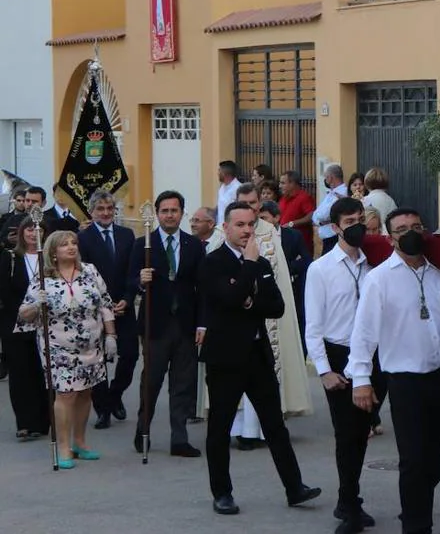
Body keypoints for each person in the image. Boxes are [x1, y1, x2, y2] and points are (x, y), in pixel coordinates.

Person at [199, 201, 321, 516]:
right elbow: (227, 299)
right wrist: (248, 273)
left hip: (257, 356)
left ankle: (295, 488)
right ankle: (222, 493)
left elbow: (276, 306)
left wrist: (248, 298)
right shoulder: (213, 262)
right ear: (225, 228)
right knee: (220, 426)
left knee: (275, 426)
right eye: (239, 225)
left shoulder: (263, 264)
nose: (247, 230)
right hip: (225, 358)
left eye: (251, 224)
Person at [350, 207, 440, 534]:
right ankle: (416, 524)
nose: (410, 233)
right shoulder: (378, 279)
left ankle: (418, 501)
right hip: (405, 380)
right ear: (389, 237)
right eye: (401, 229)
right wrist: (361, 380)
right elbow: (364, 333)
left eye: (416, 226)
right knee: (413, 459)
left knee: (434, 459)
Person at [205, 183, 311, 449]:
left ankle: (291, 481)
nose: (250, 212)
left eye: (254, 204)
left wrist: (254, 301)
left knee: (271, 414)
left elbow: (277, 293)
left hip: (262, 335)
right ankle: (240, 434)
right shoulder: (219, 238)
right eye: (245, 203)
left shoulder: (270, 233)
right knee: (224, 413)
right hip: (229, 340)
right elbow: (222, 293)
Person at [304, 197, 377, 531]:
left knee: (362, 433)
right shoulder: (321, 269)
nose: (358, 226)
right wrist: (324, 370)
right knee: (347, 434)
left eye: (361, 219)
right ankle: (348, 504)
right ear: (335, 228)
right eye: (350, 221)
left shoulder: (374, 263)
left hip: (374, 357)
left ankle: (349, 498)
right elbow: (314, 327)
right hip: (339, 355)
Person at [17, 230, 117, 468]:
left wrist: (111, 335)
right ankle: (63, 446)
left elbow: (105, 303)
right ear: (53, 251)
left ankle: (80, 442)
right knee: (66, 393)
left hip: (90, 343)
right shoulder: (43, 277)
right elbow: (23, 314)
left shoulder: (90, 271)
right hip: (57, 345)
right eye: (64, 245)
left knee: (85, 392)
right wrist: (37, 304)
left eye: (74, 243)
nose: (71, 247)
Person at [130, 190, 206, 457]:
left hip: (185, 323)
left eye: (174, 210)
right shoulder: (144, 245)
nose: (169, 215)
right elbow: (130, 281)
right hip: (156, 323)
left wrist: (202, 324)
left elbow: (202, 287)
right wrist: (141, 280)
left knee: (183, 383)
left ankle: (179, 438)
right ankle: (143, 428)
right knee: (151, 380)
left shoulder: (193, 245)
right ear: (158, 214)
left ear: (182, 214)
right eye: (165, 211)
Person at [77, 190, 138, 428]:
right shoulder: (82, 237)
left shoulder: (126, 235)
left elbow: (133, 271)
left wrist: (128, 298)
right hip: (94, 310)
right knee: (97, 359)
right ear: (92, 212)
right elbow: (82, 275)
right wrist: (102, 304)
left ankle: (115, 395)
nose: (105, 213)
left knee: (131, 354)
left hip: (123, 307)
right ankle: (102, 408)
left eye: (109, 208)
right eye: (100, 209)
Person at [0, 218, 51, 439]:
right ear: (22, 232)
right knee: (21, 374)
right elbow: (3, 290)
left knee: (43, 373)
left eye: (39, 229)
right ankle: (25, 422)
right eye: (30, 229)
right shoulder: (10, 257)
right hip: (15, 324)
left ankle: (44, 421)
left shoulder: (50, 259)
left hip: (47, 325)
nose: (33, 233)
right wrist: (22, 311)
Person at [260, 199, 309, 351]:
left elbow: (305, 260)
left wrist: (284, 267)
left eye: (264, 218)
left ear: (276, 218)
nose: (261, 222)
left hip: (293, 289)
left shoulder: (293, 236)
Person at [313, 165, 349, 255]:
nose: (325, 180)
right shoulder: (331, 193)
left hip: (334, 237)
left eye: (326, 177)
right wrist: (318, 220)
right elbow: (315, 215)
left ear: (330, 178)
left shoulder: (341, 193)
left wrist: (318, 220)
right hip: (327, 238)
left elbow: (323, 215)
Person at [279, 170, 316, 256]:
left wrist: (292, 224)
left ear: (292, 184)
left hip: (300, 246)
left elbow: (311, 216)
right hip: (285, 243)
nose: (280, 186)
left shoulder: (304, 197)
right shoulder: (284, 198)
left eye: (283, 183)